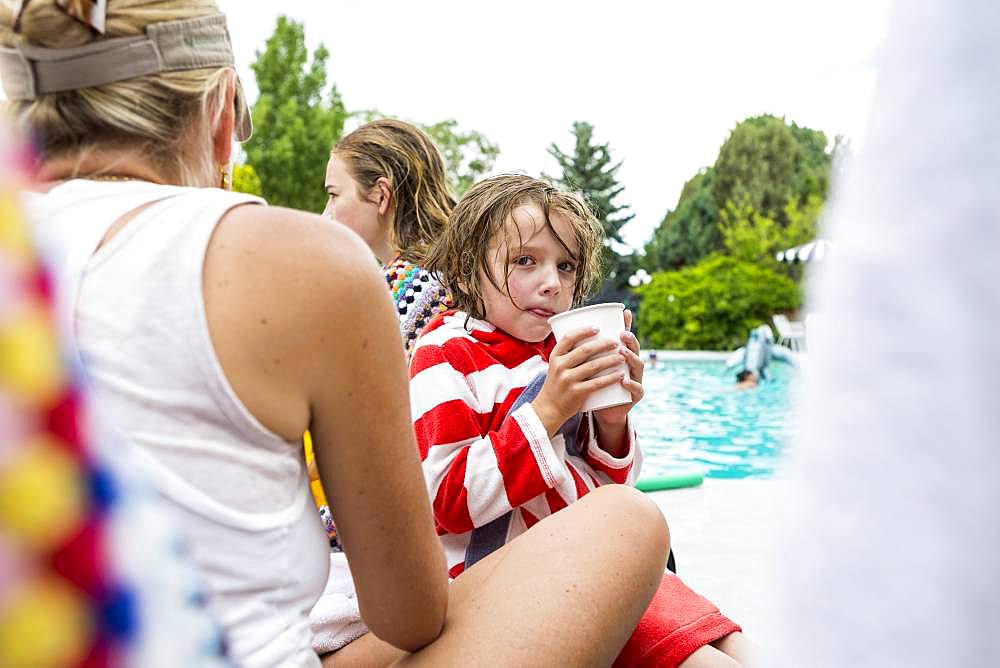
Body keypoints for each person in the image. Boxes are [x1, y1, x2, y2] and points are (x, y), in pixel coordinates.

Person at [2, 3, 670, 666]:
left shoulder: (19, 261)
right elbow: (412, 612)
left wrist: (607, 423)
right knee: (628, 526)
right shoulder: (308, 264)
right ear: (221, 112)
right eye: (525, 262)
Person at [411, 174, 749, 667]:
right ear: (465, 269)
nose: (551, 282)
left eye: (565, 266)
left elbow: (609, 490)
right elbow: (448, 502)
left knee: (734, 644)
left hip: (589, 563)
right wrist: (548, 410)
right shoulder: (446, 356)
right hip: (505, 581)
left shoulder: (559, 352)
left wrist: (612, 421)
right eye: (525, 261)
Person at [323, 118, 455, 357]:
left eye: (334, 194)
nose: (325, 214)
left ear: (381, 195)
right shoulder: (462, 268)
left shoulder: (400, 290)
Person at [726, 324, 794, 389]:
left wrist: (729, 366)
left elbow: (733, 361)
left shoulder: (751, 348)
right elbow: (784, 355)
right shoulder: (751, 383)